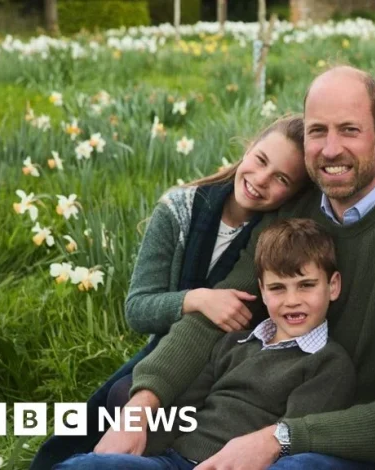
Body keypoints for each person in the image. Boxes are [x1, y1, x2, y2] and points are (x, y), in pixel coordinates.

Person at [91, 66, 375, 470]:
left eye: (349, 130)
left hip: (342, 445)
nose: (330, 149)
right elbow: (217, 315)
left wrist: (278, 440)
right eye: (317, 131)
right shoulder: (289, 214)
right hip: (241, 429)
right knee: (100, 451)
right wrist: (140, 408)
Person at [31, 115, 309, 469]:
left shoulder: (274, 233)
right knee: (120, 399)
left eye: (281, 179)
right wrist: (197, 299)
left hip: (229, 360)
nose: (261, 179)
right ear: (249, 148)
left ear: (295, 193)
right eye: (260, 160)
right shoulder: (178, 209)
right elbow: (138, 309)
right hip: (169, 351)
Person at [53, 219, 357, 469]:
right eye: (278, 288)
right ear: (262, 292)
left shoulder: (328, 363)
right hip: (173, 462)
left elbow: (291, 438)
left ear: (333, 286)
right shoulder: (234, 343)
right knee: (89, 466)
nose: (292, 301)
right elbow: (186, 405)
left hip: (240, 466)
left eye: (306, 285)